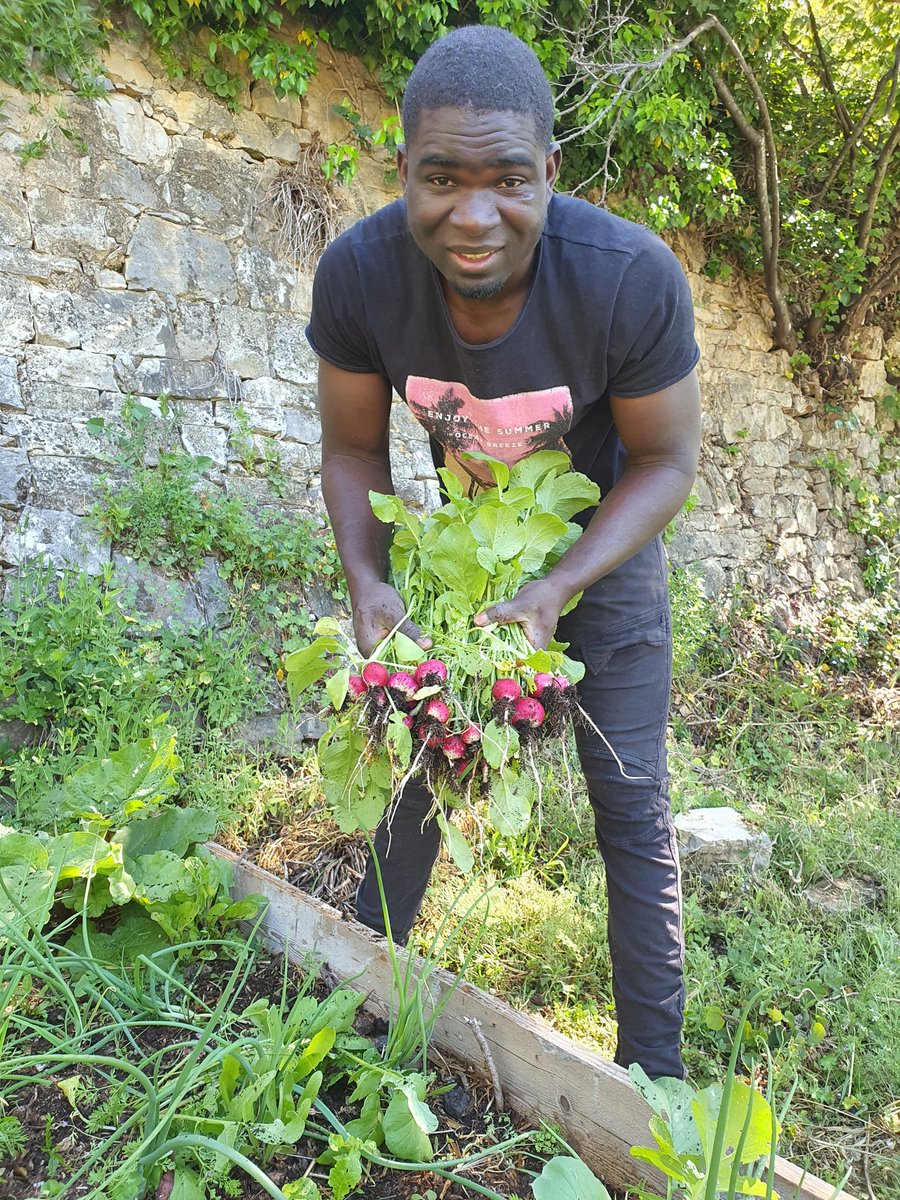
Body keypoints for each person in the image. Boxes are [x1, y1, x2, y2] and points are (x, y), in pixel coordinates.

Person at [305, 24, 701, 1081]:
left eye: (507, 181)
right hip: (460, 559)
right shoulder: (360, 276)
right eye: (441, 178)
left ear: (551, 175)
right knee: (415, 777)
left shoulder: (628, 279)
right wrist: (373, 587)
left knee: (630, 805)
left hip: (600, 560)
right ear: (404, 174)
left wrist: (561, 583)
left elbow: (664, 463)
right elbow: (352, 447)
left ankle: (652, 1086)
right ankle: (356, 1015)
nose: (472, 215)